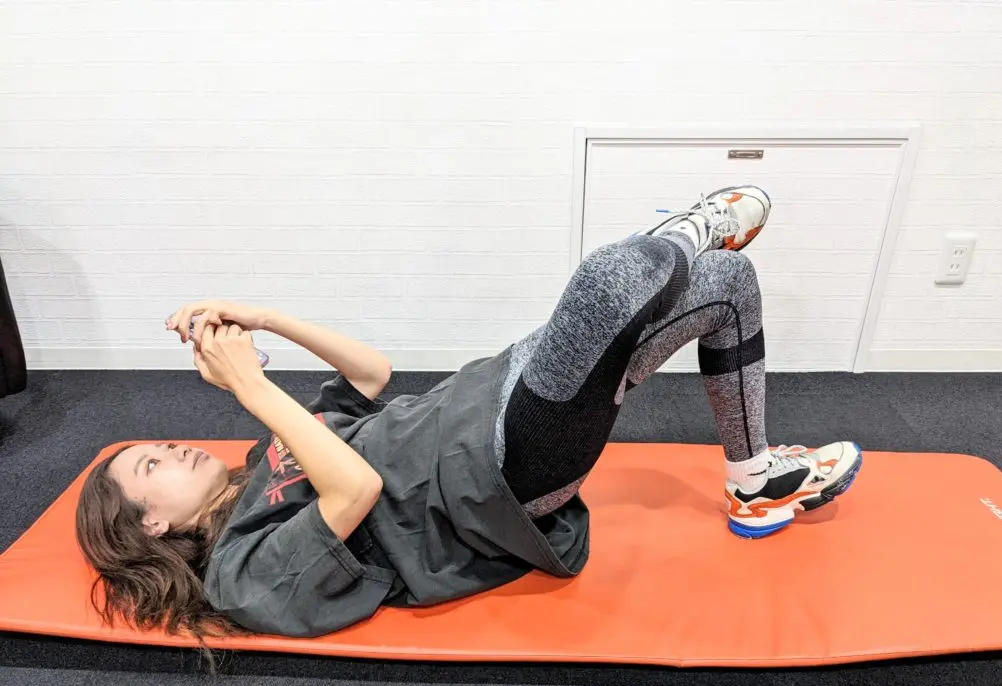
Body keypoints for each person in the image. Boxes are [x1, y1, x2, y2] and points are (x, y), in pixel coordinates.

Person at [76, 184, 862, 641]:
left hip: (483, 392)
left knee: (728, 285)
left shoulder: (264, 462)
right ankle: (687, 229)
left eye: (158, 446)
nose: (171, 449)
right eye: (151, 465)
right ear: (151, 524)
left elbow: (371, 373)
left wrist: (262, 318)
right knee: (609, 282)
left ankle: (755, 482)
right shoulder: (239, 575)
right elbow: (354, 491)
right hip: (496, 473)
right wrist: (252, 389)